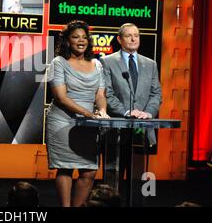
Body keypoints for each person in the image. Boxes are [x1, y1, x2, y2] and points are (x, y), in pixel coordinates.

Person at [46, 20, 109, 207]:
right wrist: (87, 113)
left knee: (89, 171)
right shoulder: (59, 63)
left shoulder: (97, 64)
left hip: (88, 125)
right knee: (65, 169)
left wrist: (102, 110)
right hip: (63, 122)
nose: (81, 41)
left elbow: (100, 94)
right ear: (67, 41)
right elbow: (61, 97)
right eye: (75, 37)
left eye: (84, 37)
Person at [99, 23, 162, 181]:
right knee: (113, 176)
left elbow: (156, 93)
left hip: (141, 131)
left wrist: (147, 113)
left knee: (138, 177)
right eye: (129, 35)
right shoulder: (107, 62)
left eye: (136, 35)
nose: (134, 39)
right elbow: (107, 93)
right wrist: (126, 112)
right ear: (120, 39)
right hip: (115, 130)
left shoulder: (150, 64)